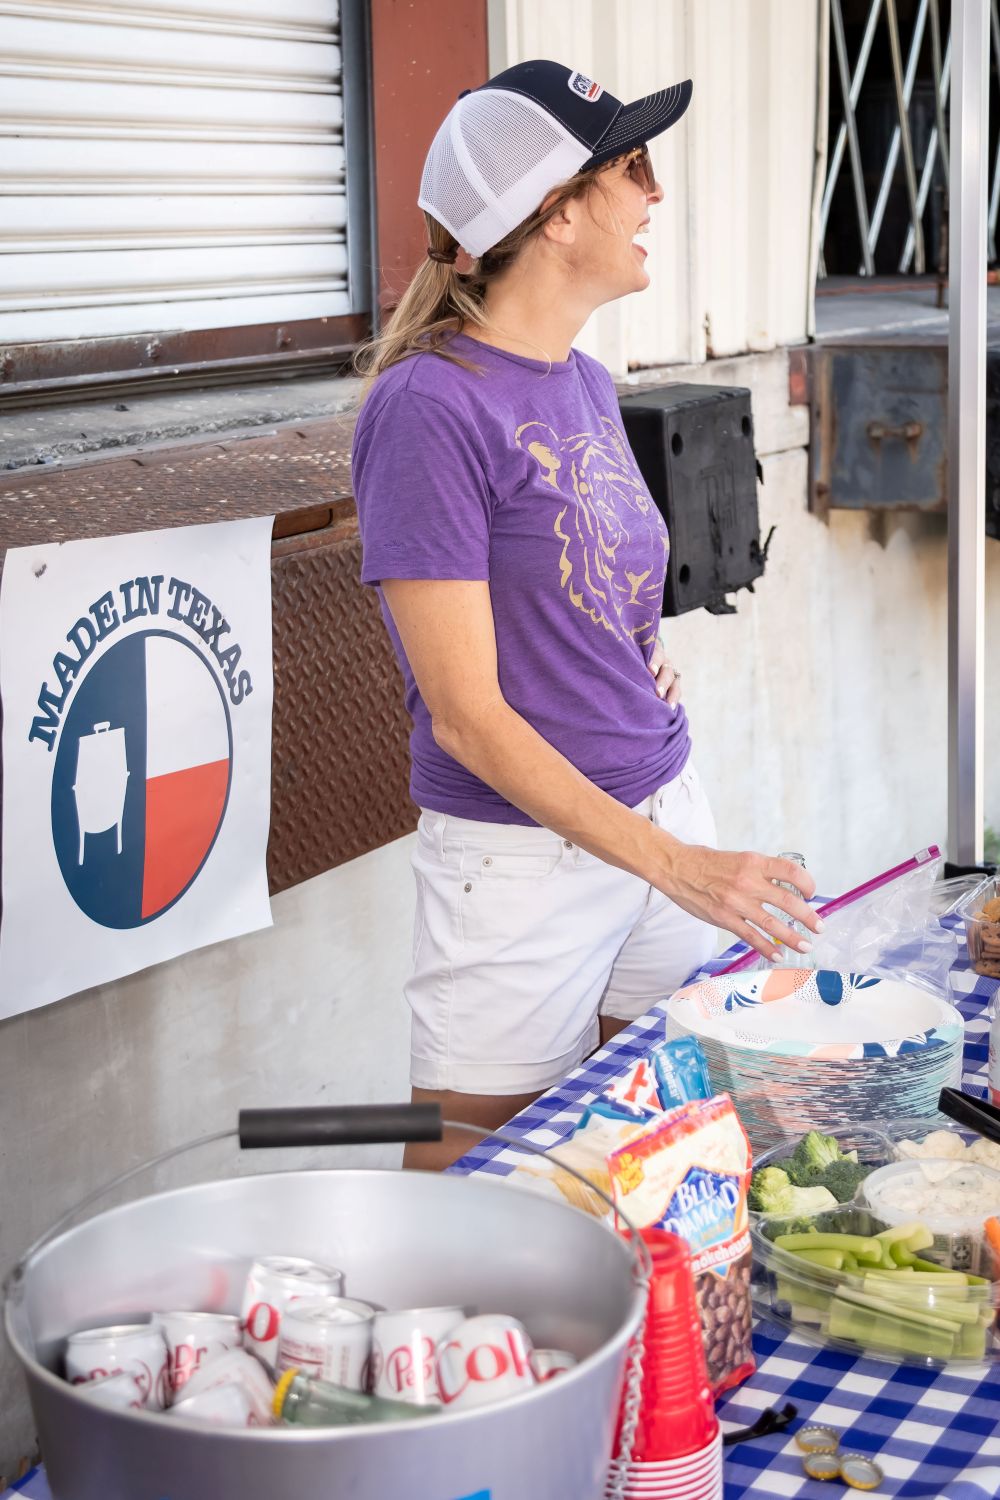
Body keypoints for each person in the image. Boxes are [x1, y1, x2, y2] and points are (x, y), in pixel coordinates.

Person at [351, 59, 820, 1169]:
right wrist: (679, 867)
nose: (654, 194)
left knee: (649, 1157)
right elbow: (464, 718)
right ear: (554, 214)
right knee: (471, 1185)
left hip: (656, 804)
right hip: (522, 868)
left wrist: (630, 659)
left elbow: (587, 583)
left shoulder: (581, 379)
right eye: (632, 167)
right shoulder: (428, 408)